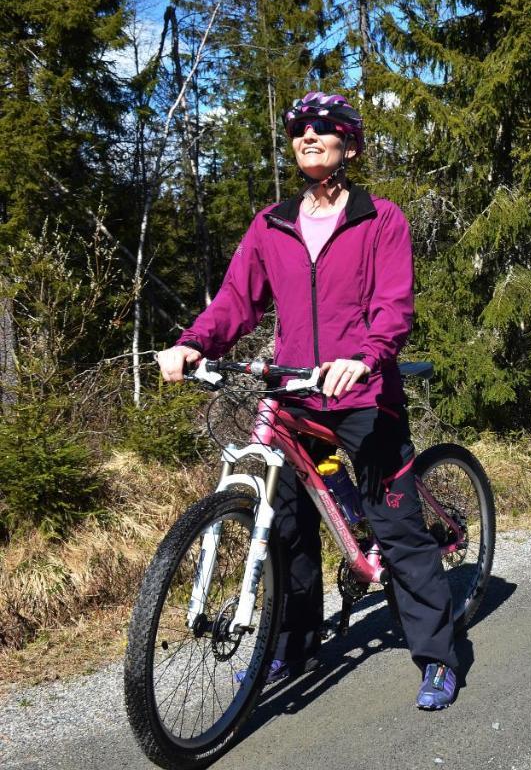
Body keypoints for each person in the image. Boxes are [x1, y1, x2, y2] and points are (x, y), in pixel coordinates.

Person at [155, 91, 460, 709]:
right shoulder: (272, 224)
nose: (310, 138)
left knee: (397, 528)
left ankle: (438, 659)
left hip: (363, 394)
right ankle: (293, 648)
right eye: (300, 131)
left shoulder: (382, 219)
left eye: (324, 130)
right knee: (287, 530)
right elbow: (236, 301)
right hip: (291, 395)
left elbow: (393, 305)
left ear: (349, 145)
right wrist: (191, 344)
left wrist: (365, 357)